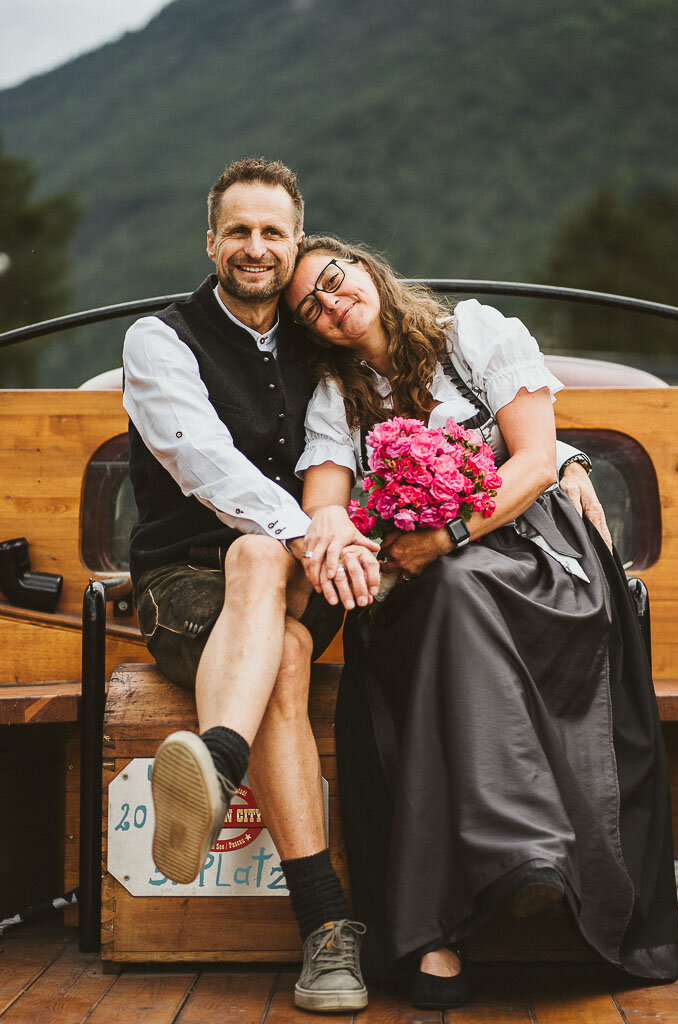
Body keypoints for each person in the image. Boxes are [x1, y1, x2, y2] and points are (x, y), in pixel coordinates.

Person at [284, 235, 678, 1009]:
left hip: (540, 561)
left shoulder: (471, 334)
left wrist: (447, 535)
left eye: (333, 279)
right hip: (421, 580)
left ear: (363, 267)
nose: (332, 303)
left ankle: (488, 890)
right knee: (429, 612)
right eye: (310, 308)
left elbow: (534, 462)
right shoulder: (337, 398)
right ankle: (500, 876)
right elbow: (324, 499)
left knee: (454, 592)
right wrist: (331, 525)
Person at [122, 159, 380, 1013]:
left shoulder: (322, 341)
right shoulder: (159, 339)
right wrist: (308, 534)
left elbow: (434, 395)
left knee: (271, 570)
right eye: (238, 230)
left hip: (305, 577)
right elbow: (202, 461)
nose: (256, 247)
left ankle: (219, 757)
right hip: (183, 580)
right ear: (211, 242)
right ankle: (328, 930)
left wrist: (557, 459)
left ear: (296, 240)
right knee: (273, 607)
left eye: (273, 231)